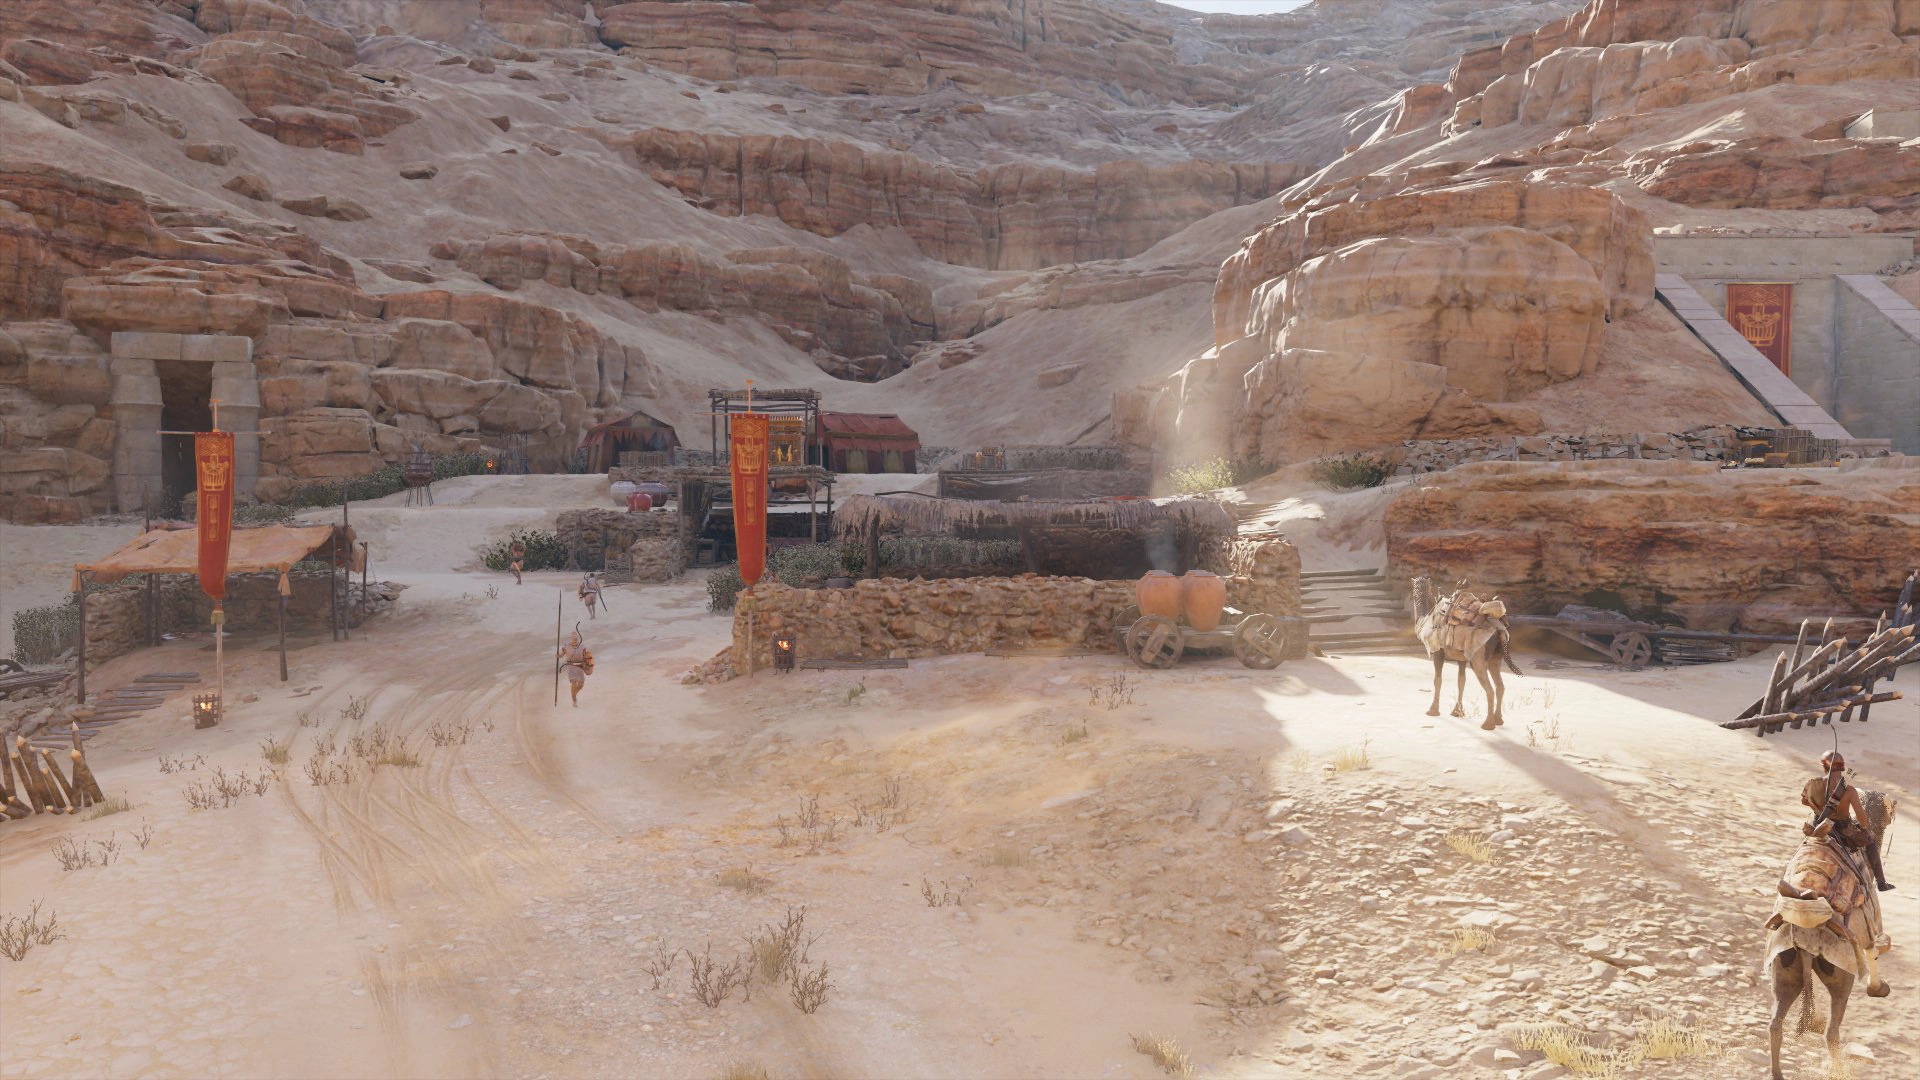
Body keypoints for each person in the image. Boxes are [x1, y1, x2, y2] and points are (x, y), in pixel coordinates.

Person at [1802, 750, 1894, 892]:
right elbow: (1861, 815)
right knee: (1870, 840)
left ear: (1824, 767)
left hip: (1818, 825)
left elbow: (1804, 801)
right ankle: (1881, 882)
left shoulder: (1812, 783)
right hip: (1843, 831)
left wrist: (1819, 808)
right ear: (1842, 768)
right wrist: (1865, 828)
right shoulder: (1849, 790)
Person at [558, 626, 593, 707]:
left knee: (581, 685)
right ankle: (574, 700)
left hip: (580, 666)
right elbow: (561, 655)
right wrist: (558, 655)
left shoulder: (582, 647)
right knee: (574, 682)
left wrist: (587, 665)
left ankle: (573, 695)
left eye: (576, 638)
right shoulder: (566, 646)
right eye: (573, 638)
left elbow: (587, 656)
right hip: (571, 667)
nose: (575, 639)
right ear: (571, 638)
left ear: (578, 638)